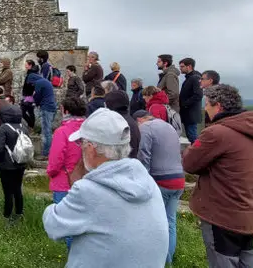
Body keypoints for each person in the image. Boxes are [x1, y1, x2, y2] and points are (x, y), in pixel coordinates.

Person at [42, 108, 167, 268]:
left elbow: (53, 226)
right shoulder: (147, 181)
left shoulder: (88, 191)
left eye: (81, 143)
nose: (80, 148)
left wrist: (78, 184)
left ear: (91, 149)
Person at [182, 84, 253, 268]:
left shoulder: (217, 133)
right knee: (245, 261)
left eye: (207, 104)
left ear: (217, 106)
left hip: (221, 213)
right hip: (246, 212)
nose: (205, 108)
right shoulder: (252, 132)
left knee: (222, 261)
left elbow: (189, 163)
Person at [135, 109, 186, 265]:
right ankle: (169, 259)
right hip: (179, 179)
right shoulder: (168, 126)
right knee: (170, 222)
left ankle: (158, 260)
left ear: (140, 120)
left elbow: (144, 154)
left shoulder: (145, 128)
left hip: (161, 181)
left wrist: (142, 180)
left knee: (156, 223)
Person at [47, 97, 85, 248]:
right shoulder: (89, 130)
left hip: (65, 181)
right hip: (88, 180)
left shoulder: (62, 131)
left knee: (68, 224)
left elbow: (56, 159)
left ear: (66, 110)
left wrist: (50, 172)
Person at [0, 104, 27, 223]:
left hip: (7, 164)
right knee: (17, 189)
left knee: (8, 191)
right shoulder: (23, 127)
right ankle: (19, 213)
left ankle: (7, 216)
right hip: (21, 162)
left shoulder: (4, 127)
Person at [31, 62, 57, 159]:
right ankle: (48, 152)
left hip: (46, 108)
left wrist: (35, 98)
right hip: (51, 107)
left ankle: (46, 154)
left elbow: (37, 96)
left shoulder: (38, 83)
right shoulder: (45, 82)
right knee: (47, 131)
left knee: (46, 132)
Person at [178, 57, 204, 143]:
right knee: (191, 136)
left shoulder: (195, 78)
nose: (180, 68)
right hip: (188, 113)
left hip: (191, 113)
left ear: (189, 66)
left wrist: (185, 103)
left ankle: (199, 153)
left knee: (192, 136)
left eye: (182, 66)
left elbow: (198, 95)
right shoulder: (190, 78)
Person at [20, 60, 39, 130]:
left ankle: (31, 125)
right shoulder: (31, 72)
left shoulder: (32, 73)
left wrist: (29, 93)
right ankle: (32, 126)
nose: (25, 66)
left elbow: (31, 85)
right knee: (30, 111)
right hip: (28, 95)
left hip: (29, 95)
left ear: (30, 65)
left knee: (22, 111)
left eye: (26, 64)